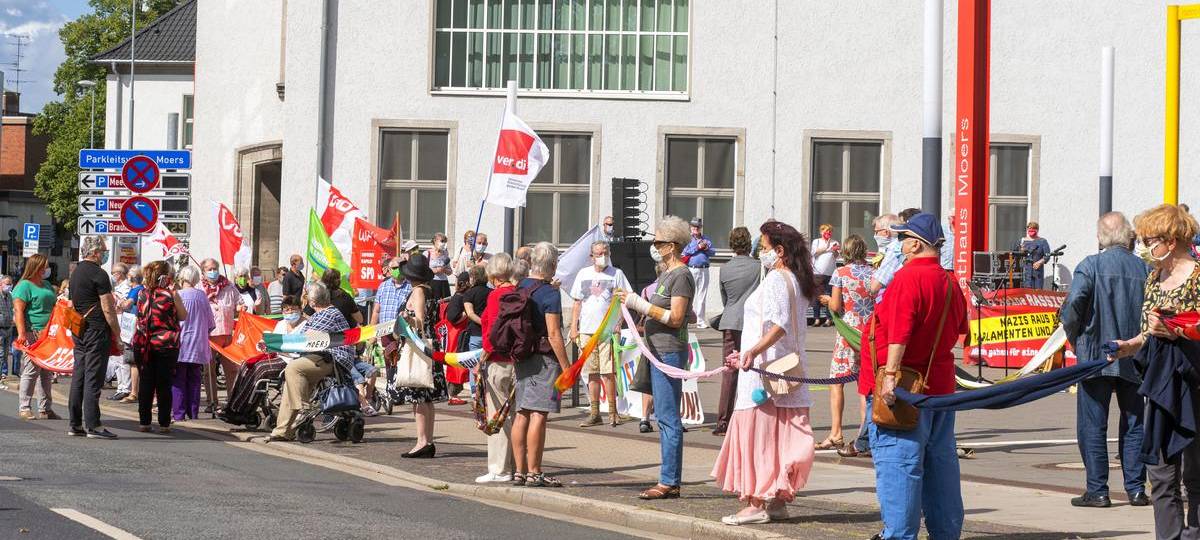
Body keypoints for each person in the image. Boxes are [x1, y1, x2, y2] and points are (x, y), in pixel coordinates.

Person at [866, 213, 969, 540]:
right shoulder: (950, 281)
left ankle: (899, 535)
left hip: (905, 389)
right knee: (941, 465)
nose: (899, 245)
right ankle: (946, 533)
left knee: (900, 466)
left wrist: (890, 376)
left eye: (902, 239)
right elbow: (960, 329)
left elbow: (900, 333)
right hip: (939, 387)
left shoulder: (908, 278)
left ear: (915, 244)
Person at [712, 220, 818, 525]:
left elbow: (778, 326)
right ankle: (776, 501)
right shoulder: (797, 280)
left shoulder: (775, 279)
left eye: (764, 246)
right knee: (779, 439)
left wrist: (752, 352)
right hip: (787, 371)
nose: (761, 251)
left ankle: (755, 503)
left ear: (779, 251)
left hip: (764, 374)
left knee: (759, 439)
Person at [1111, 204, 1200, 538]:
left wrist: (1177, 331)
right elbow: (1148, 333)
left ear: (1171, 240)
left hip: (1193, 383)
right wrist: (1129, 345)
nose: (1145, 247)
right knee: (1161, 475)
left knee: (1195, 475)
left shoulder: (1198, 276)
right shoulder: (1153, 277)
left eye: (1150, 241)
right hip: (1161, 384)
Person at [1060, 212, 1149, 509]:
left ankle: (1098, 490)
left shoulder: (1090, 265)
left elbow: (1073, 305)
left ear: (1100, 237)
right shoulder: (1144, 268)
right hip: (1134, 355)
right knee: (1135, 423)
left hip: (1095, 355)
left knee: (1093, 424)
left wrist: (1075, 337)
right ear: (1128, 236)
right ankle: (1136, 489)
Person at [618, 216, 695, 499]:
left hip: (668, 352)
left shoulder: (681, 275)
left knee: (667, 416)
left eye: (659, 241)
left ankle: (669, 481)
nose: (655, 245)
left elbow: (676, 318)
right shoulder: (666, 274)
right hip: (656, 350)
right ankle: (668, 478)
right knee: (662, 415)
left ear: (672, 245)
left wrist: (639, 304)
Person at [510, 242, 571, 487]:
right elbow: (554, 334)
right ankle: (535, 472)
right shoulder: (550, 293)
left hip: (521, 355)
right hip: (543, 359)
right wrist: (567, 366)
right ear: (553, 265)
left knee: (522, 412)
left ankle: (519, 471)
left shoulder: (520, 286)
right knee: (539, 413)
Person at [269, 283, 355, 442]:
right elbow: (300, 337)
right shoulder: (317, 316)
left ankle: (304, 407)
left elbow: (306, 338)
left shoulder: (330, 314)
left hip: (334, 358)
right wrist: (270, 344)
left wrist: (277, 343)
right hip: (317, 356)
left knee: (293, 368)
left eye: (307, 297)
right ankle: (282, 431)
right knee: (291, 383)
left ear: (312, 301)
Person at [817, 235, 873, 451]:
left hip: (847, 334)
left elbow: (836, 306)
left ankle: (836, 433)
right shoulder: (874, 273)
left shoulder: (840, 273)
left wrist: (826, 300)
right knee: (865, 386)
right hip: (868, 333)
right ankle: (864, 435)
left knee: (837, 382)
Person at [568, 241, 631, 428]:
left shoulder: (616, 274)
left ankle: (613, 411)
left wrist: (618, 323)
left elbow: (624, 301)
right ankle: (595, 413)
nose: (602, 256)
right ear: (591, 256)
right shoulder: (583, 274)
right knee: (592, 372)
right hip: (587, 331)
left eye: (605, 253)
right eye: (598, 254)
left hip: (607, 331)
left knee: (608, 372)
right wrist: (574, 328)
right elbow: (577, 303)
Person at [392, 254, 448, 458]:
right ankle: (427, 441)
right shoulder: (429, 290)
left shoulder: (417, 291)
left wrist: (407, 319)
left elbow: (420, 321)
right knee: (426, 397)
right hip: (430, 345)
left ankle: (422, 441)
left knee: (420, 397)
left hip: (419, 346)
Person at [69, 237, 123, 439]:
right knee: (94, 377)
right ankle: (94, 425)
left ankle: (75, 424)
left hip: (79, 328)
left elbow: (72, 302)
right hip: (97, 329)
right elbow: (108, 308)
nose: (105, 254)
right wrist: (117, 334)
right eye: (104, 251)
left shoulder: (75, 273)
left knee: (79, 375)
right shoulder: (99, 274)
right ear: (95, 252)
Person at [222, 295, 302, 424]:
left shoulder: (304, 325)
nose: (290, 312)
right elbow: (271, 341)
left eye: (293, 309)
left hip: (292, 360)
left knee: (260, 369)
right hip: (278, 355)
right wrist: (264, 344)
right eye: (287, 310)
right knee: (246, 365)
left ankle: (240, 410)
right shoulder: (282, 324)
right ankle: (232, 406)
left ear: (300, 309)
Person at [474, 253, 518, 484]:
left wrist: (483, 357)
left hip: (498, 360)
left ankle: (500, 469)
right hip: (518, 362)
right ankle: (518, 466)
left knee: (498, 416)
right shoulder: (519, 293)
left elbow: (491, 329)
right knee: (516, 415)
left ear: (492, 274)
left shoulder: (495, 296)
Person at [713, 228, 759, 436]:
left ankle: (723, 421)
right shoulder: (758, 267)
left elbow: (725, 298)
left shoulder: (725, 269)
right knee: (754, 370)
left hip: (730, 321)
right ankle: (751, 419)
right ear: (749, 243)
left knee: (729, 372)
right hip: (751, 323)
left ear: (731, 244)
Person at [133, 261, 186, 434]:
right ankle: (164, 423)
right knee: (164, 384)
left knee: (146, 382)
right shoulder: (171, 294)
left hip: (143, 343)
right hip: (166, 344)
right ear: (165, 276)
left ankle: (144, 422)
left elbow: (139, 317)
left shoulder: (142, 293)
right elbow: (183, 316)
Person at [12, 255, 59, 420]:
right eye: (44, 266)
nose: (47, 269)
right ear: (36, 267)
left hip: (48, 334)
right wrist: (22, 333)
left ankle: (45, 408)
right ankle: (24, 407)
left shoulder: (46, 284)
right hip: (33, 332)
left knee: (46, 371)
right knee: (31, 371)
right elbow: (19, 311)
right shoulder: (24, 286)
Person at [201, 258, 242, 414]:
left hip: (227, 334)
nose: (213, 271)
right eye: (209, 269)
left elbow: (239, 302)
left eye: (215, 268)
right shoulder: (199, 288)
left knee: (231, 370)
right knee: (209, 370)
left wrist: (241, 307)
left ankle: (232, 401)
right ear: (203, 272)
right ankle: (212, 401)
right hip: (209, 335)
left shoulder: (229, 286)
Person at [174, 266, 214, 422]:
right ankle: (193, 412)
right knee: (195, 379)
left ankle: (179, 413)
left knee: (178, 379)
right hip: (198, 343)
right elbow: (210, 323)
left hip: (181, 342)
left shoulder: (177, 295)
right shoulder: (202, 296)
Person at [372, 256, 413, 385]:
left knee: (401, 360)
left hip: (403, 331)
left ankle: (400, 386)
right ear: (389, 269)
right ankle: (391, 386)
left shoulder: (410, 287)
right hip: (386, 331)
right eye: (395, 268)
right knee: (389, 360)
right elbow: (376, 311)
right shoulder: (383, 286)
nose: (397, 270)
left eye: (400, 267)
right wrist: (372, 333)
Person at [681, 217, 715, 328]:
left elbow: (713, 252)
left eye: (698, 227)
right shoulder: (687, 239)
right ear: (691, 227)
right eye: (694, 226)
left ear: (701, 228)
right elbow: (685, 252)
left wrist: (706, 248)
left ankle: (700, 321)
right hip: (692, 269)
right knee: (688, 295)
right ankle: (685, 319)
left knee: (702, 296)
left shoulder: (706, 239)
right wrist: (698, 247)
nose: (696, 228)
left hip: (704, 269)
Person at [869, 211, 910, 302]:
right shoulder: (903, 244)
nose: (875, 236)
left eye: (876, 232)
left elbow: (875, 287)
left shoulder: (894, 249)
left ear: (886, 232)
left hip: (892, 300)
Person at [810, 224, 840, 327]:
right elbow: (814, 253)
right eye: (825, 231)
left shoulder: (834, 242)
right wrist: (827, 247)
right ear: (821, 232)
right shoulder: (816, 241)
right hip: (817, 273)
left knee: (829, 296)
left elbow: (836, 256)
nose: (828, 233)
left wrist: (834, 250)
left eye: (829, 231)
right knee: (816, 296)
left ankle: (828, 319)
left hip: (830, 273)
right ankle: (816, 319)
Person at [1016, 221, 1052, 289]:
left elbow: (1047, 255)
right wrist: (1021, 251)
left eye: (1034, 228)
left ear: (1037, 230)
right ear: (1027, 229)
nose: (1031, 230)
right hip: (1024, 272)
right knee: (1025, 291)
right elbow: (1014, 255)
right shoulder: (1022, 241)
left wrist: (1040, 262)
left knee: (1037, 291)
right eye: (1030, 228)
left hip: (1037, 272)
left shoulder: (1042, 241)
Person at [0, 275, 16, 384]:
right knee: (0, 354)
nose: (9, 286)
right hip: (0, 329)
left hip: (8, 329)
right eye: (7, 284)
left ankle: (2, 374)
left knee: (5, 355)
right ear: (1, 284)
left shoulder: (10, 296)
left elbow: (12, 309)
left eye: (10, 284)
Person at [428, 232, 453, 300]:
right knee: (432, 303)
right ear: (435, 241)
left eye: (445, 242)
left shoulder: (445, 254)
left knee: (445, 303)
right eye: (442, 241)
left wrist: (444, 270)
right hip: (432, 282)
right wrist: (436, 270)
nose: (443, 243)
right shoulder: (427, 253)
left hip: (444, 283)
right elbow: (424, 269)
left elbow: (450, 271)